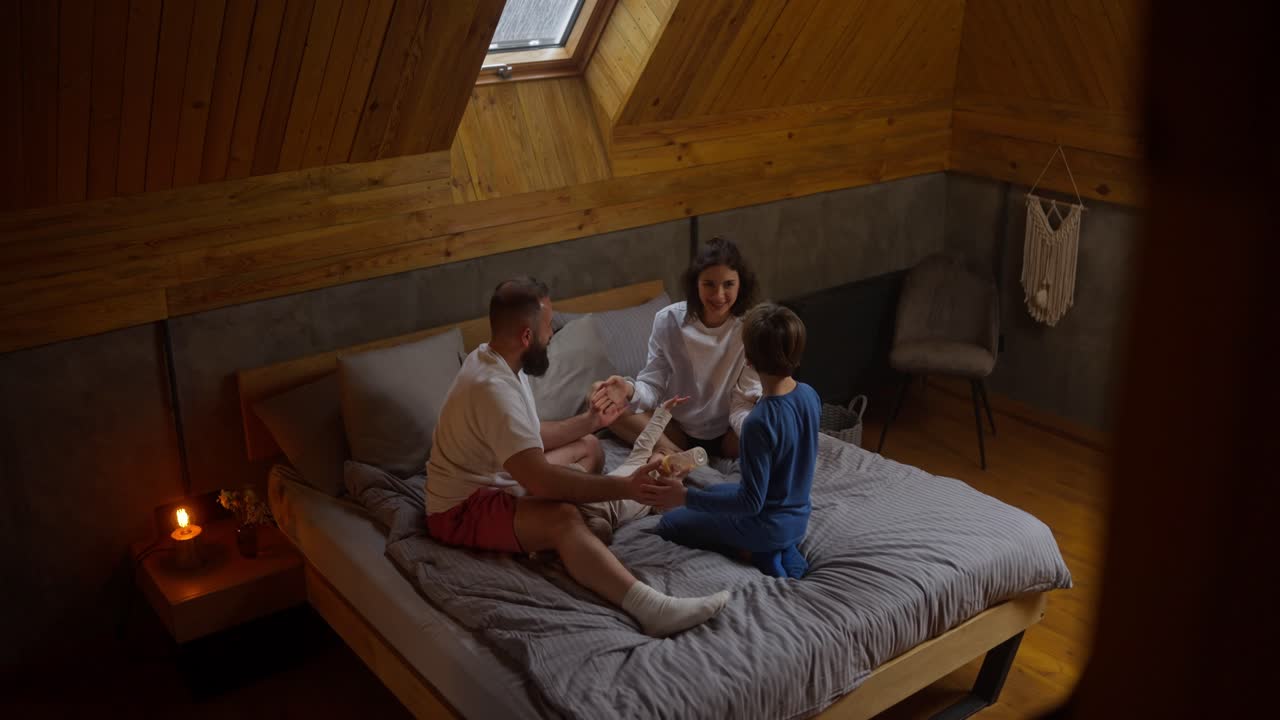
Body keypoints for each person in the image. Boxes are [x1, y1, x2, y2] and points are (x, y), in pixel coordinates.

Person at [425, 276, 729, 637]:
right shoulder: (493, 390)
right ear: (526, 336)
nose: (551, 334)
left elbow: (529, 435)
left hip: (502, 480)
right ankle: (650, 608)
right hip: (461, 509)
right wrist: (626, 488)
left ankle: (559, 542)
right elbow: (541, 480)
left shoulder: (497, 360)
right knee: (563, 517)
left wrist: (591, 421)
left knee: (589, 445)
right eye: (547, 327)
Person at [640, 304, 820, 579]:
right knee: (716, 490)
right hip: (797, 520)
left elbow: (750, 503)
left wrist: (683, 497)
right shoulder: (809, 395)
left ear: (748, 359)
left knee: (670, 523)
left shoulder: (757, 423)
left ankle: (759, 552)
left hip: (765, 527)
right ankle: (782, 546)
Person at [591, 237, 763, 459]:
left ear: (741, 284)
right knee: (599, 395)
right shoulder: (669, 320)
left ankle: (676, 457)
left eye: (728, 284)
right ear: (696, 284)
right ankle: (677, 454)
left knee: (774, 424)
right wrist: (628, 390)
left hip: (729, 433)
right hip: (675, 431)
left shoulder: (750, 327)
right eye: (709, 284)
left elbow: (749, 393)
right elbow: (652, 387)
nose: (719, 295)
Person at [578, 394, 691, 545]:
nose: (663, 462)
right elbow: (649, 436)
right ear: (652, 454)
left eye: (670, 465)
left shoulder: (655, 498)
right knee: (574, 474)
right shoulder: (638, 460)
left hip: (603, 516)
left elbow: (669, 507)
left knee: (600, 531)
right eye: (662, 454)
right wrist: (664, 411)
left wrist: (677, 481)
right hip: (590, 496)